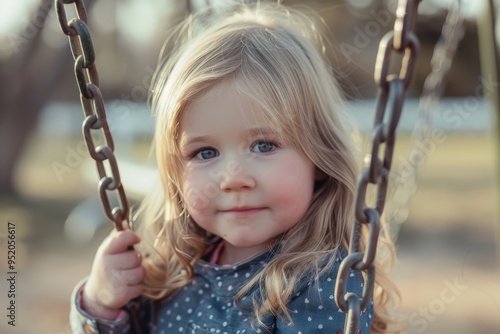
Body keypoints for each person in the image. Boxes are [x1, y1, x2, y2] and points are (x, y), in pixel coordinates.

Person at [70, 1, 399, 333]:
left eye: (264, 145)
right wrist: (100, 304)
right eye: (205, 152)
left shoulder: (322, 283)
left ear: (319, 157)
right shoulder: (172, 271)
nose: (233, 179)